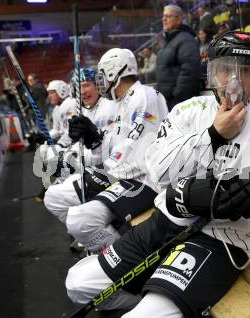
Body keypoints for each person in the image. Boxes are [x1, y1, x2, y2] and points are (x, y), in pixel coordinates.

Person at [64, 31, 250, 317]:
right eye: (225, 70)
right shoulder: (189, 110)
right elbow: (158, 168)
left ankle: (163, 302)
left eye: (245, 70)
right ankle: (151, 298)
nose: (234, 80)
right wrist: (213, 135)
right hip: (164, 222)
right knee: (78, 283)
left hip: (221, 239)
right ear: (211, 72)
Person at [43, 48, 168, 255]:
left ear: (113, 73)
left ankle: (119, 255)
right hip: (124, 174)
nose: (100, 82)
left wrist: (103, 170)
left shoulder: (143, 96)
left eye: (101, 76)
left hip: (145, 180)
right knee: (55, 198)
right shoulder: (121, 102)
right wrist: (94, 137)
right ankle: (105, 246)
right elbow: (118, 144)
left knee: (76, 217)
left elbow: (138, 150)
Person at [156, 4, 201, 110]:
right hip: (167, 100)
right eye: (163, 16)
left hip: (179, 102)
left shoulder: (186, 39)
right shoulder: (169, 40)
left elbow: (190, 69)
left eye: (168, 16)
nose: (164, 19)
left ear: (179, 19)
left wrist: (177, 96)